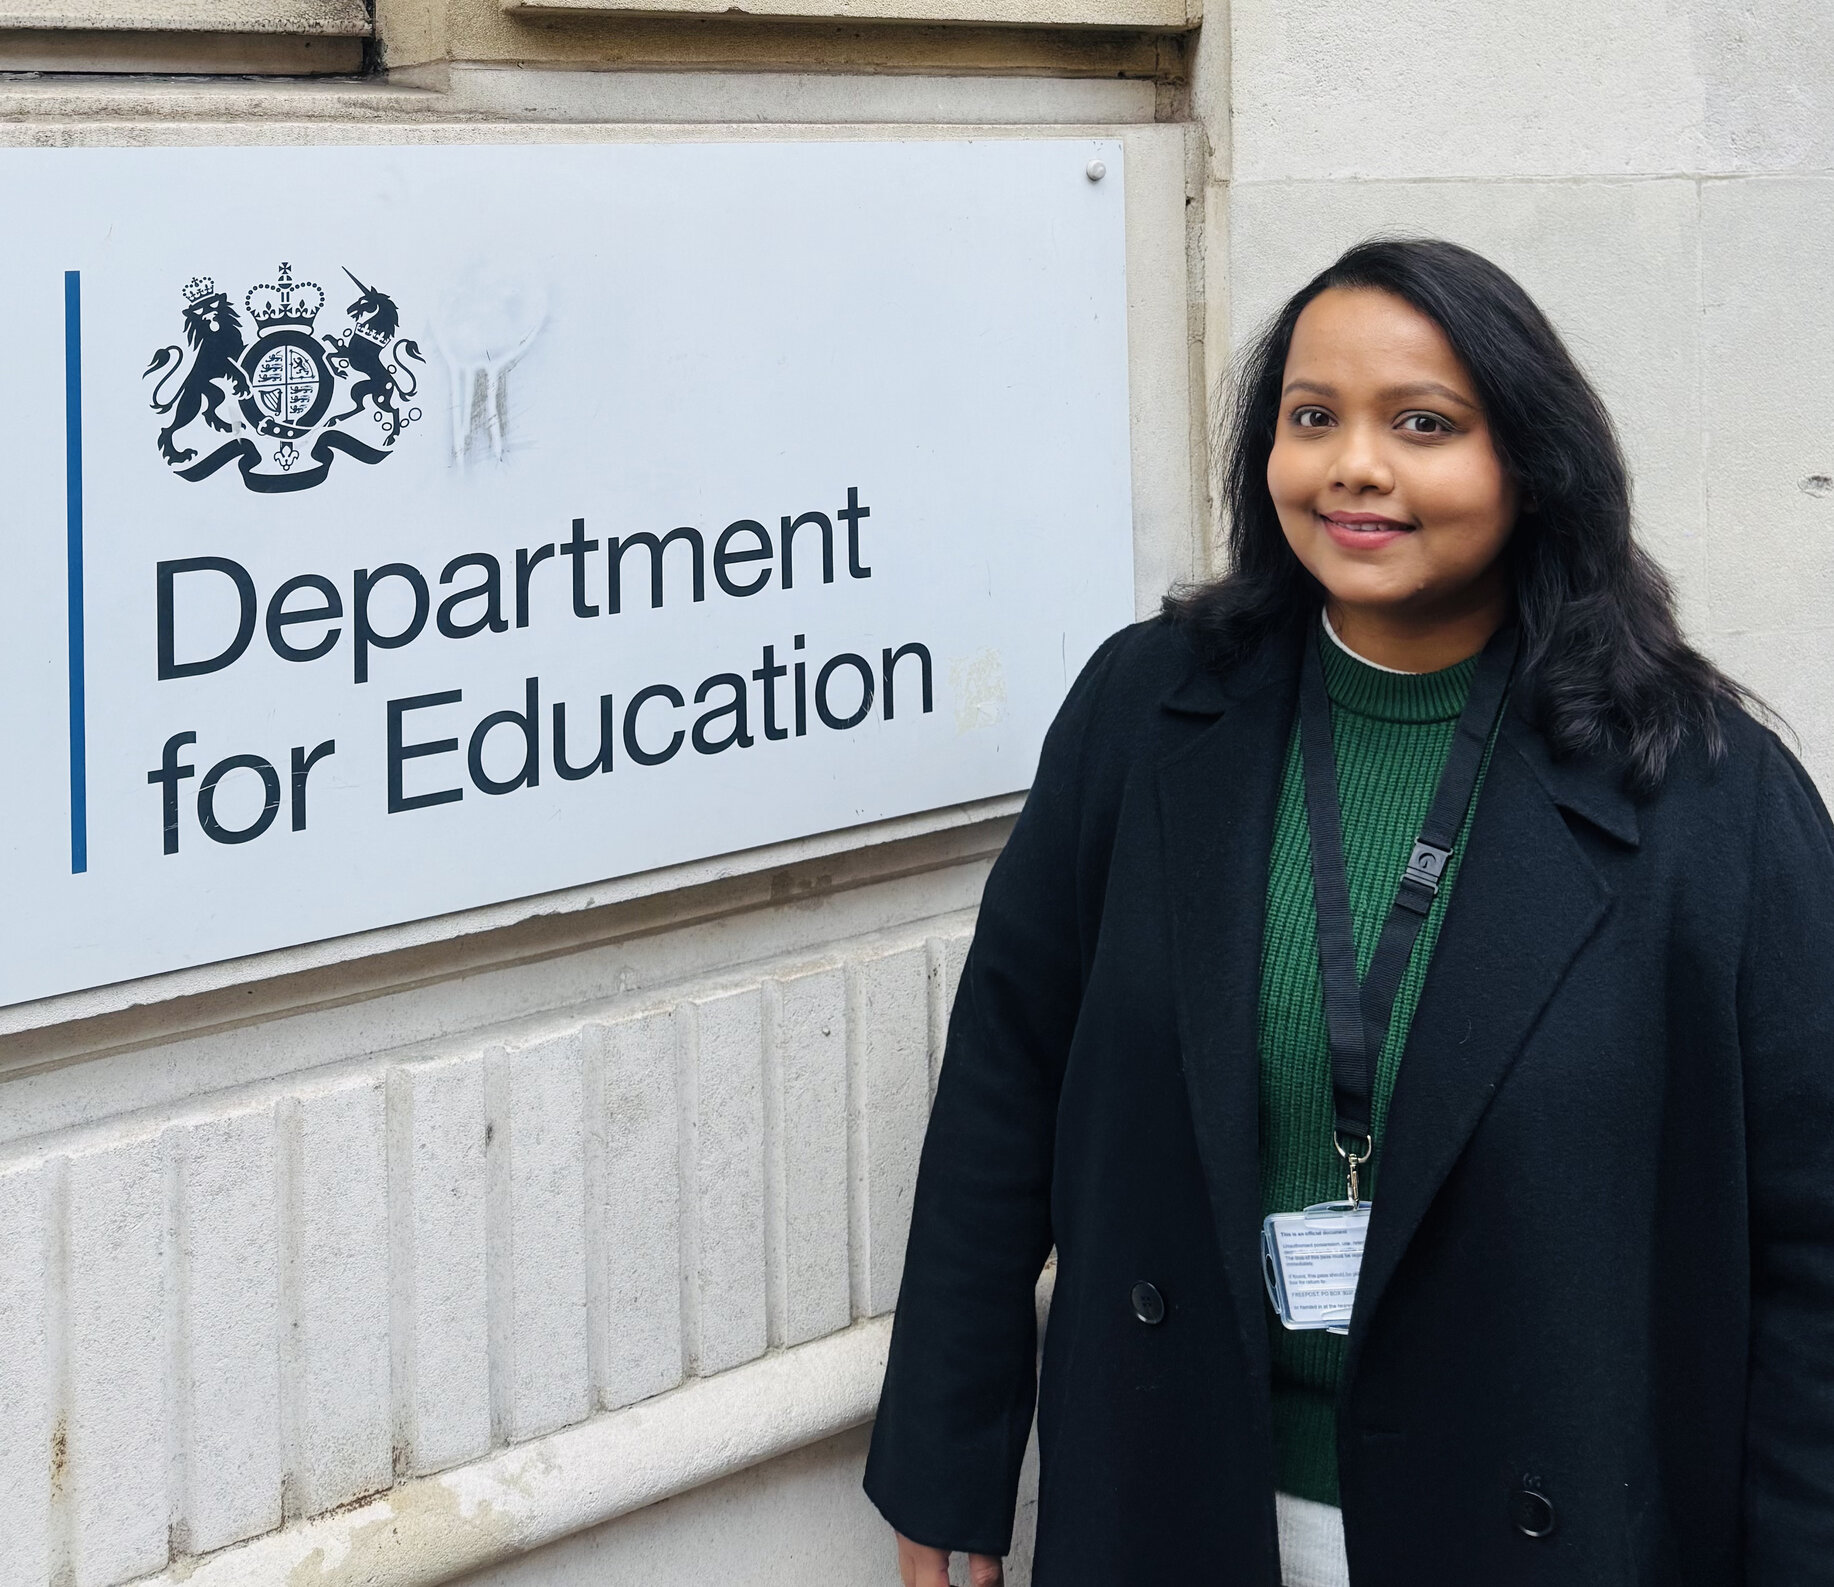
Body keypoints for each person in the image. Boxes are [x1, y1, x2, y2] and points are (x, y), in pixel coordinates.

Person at [862, 237, 1834, 1586]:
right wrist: (946, 1460)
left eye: (1420, 425)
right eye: (1311, 417)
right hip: (1185, 1501)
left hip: (1540, 1527)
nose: (1353, 467)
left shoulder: (1705, 791)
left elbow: (1813, 1244)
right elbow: (1000, 1093)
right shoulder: (1145, 715)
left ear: (1531, 465)